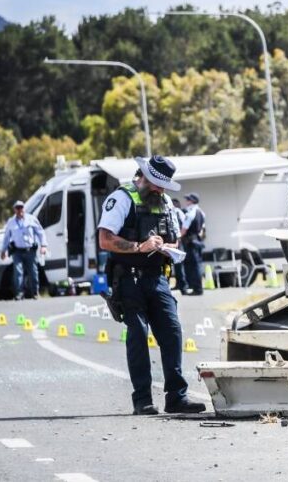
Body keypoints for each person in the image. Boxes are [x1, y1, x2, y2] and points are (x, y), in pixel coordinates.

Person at [97, 155, 205, 415]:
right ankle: (143, 399)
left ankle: (176, 397)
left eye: (163, 184)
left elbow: (175, 239)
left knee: (172, 331)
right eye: (156, 183)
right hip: (128, 278)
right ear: (142, 177)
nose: (160, 189)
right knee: (137, 335)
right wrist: (138, 247)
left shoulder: (165, 201)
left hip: (157, 277)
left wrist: (167, 247)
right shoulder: (122, 198)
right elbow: (105, 239)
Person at [0, 200, 48, 300]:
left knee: (33, 272)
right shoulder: (11, 222)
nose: (19, 210)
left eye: (21, 207)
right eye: (17, 208)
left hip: (30, 250)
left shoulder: (31, 219)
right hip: (17, 251)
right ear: (14, 210)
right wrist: (3, 250)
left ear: (24, 208)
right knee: (18, 273)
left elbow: (40, 232)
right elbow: (6, 237)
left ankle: (35, 292)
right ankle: (19, 294)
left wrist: (43, 245)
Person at [180, 192, 206, 296]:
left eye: (188, 200)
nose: (186, 202)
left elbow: (184, 230)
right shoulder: (201, 212)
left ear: (193, 201)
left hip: (191, 242)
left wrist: (177, 238)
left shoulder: (190, 213)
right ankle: (197, 288)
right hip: (197, 241)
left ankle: (197, 289)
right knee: (197, 265)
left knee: (193, 266)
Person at [171, 198, 188, 292]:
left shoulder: (178, 212)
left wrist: (179, 237)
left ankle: (183, 286)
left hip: (178, 241)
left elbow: (184, 226)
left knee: (179, 264)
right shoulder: (174, 212)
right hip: (175, 241)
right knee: (176, 265)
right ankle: (179, 284)